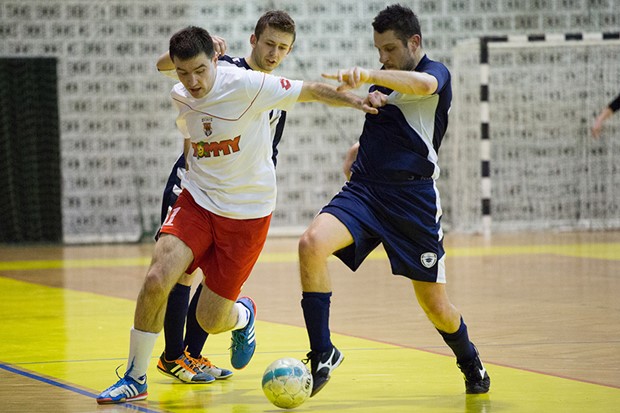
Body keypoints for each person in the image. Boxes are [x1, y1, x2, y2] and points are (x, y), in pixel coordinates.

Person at [96, 25, 376, 405]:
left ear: (215, 61)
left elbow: (310, 90)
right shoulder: (182, 88)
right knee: (159, 275)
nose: (192, 82)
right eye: (183, 73)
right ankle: (135, 375)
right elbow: (165, 64)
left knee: (212, 318)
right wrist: (194, 49)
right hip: (197, 198)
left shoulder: (248, 84)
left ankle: (242, 314)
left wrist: (358, 102)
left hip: (247, 213)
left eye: (199, 70)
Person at [297, 4, 491, 397]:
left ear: (413, 42)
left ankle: (470, 361)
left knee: (435, 305)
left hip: (413, 201)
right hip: (366, 192)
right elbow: (396, 126)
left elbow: (420, 88)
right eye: (377, 51)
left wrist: (371, 75)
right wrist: (358, 146)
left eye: (388, 49)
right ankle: (322, 353)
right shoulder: (383, 84)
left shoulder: (435, 73)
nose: (381, 57)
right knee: (311, 244)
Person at [153, 11, 297, 384]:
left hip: (235, 198)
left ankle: (193, 355)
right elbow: (163, 65)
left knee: (211, 275)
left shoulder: (276, 92)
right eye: (269, 44)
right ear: (253, 40)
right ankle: (172, 357)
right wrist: (205, 45)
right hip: (194, 184)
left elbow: (269, 151)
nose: (274, 53)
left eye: (283, 48)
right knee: (180, 272)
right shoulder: (223, 68)